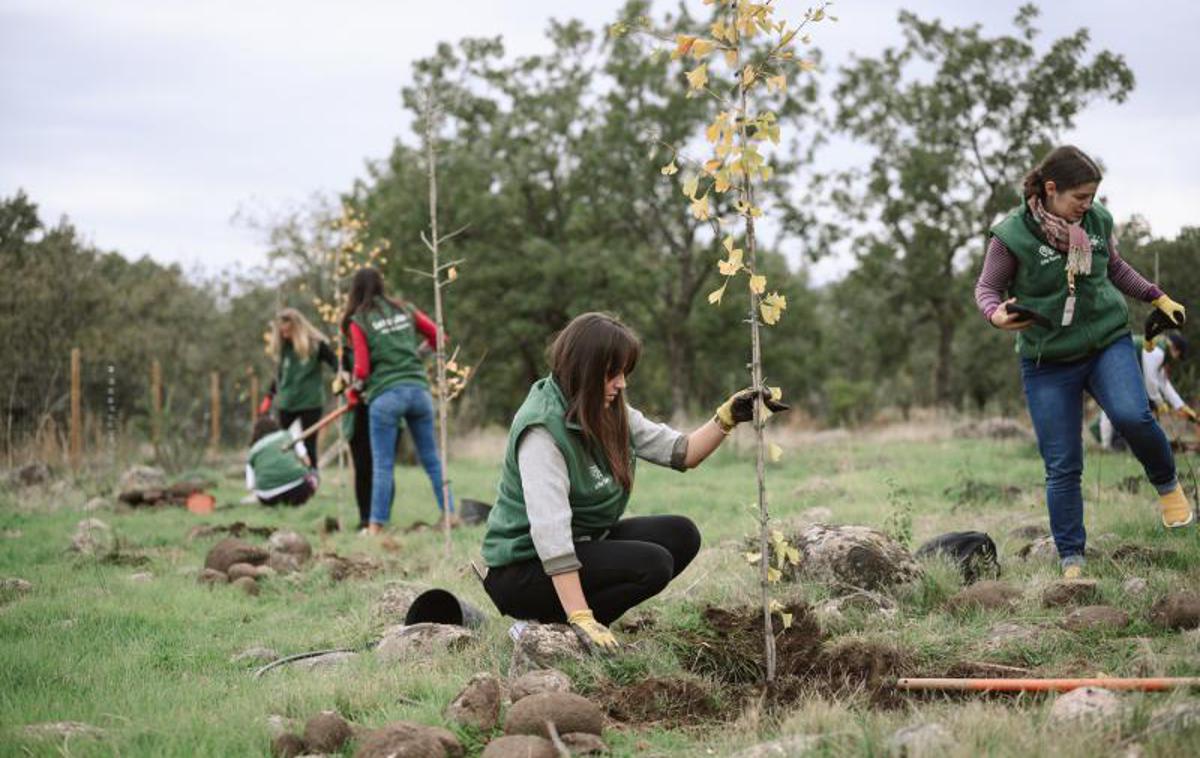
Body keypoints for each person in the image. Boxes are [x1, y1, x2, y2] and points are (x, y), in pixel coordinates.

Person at [480, 312, 788, 652]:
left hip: (581, 543)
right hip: (524, 569)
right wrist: (581, 615)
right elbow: (550, 535)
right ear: (584, 369)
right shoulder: (541, 430)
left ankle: (572, 624)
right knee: (652, 565)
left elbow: (682, 453)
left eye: (625, 372)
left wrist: (727, 417)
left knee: (681, 535)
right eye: (612, 373)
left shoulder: (605, 408)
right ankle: (561, 627)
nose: (622, 383)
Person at [974, 145, 1192, 578]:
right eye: (1080, 198)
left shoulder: (1096, 222)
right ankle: (1072, 557)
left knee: (1133, 415)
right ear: (1051, 190)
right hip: (1047, 359)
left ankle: (1167, 486)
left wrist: (1156, 296)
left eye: (1092, 197)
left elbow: (1115, 267)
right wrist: (997, 315)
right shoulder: (1011, 235)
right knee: (1062, 462)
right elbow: (986, 290)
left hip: (1104, 341)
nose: (1087, 206)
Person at [341, 267, 450, 534]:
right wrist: (416, 355)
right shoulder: (405, 309)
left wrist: (353, 391)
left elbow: (363, 369)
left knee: (383, 464)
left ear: (354, 290)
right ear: (381, 285)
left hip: (386, 395)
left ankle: (376, 526)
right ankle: (450, 514)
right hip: (419, 392)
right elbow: (439, 337)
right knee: (432, 460)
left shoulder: (359, 320)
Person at [259, 308, 338, 468]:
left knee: (309, 445)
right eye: (281, 332)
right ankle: (285, 477)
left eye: (287, 331)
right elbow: (280, 375)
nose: (284, 335)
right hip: (287, 402)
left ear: (297, 328)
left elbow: (336, 364)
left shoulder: (316, 346)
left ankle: (312, 477)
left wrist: (342, 381)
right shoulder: (284, 348)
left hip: (310, 402)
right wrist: (269, 395)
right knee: (281, 442)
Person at [1098, 333, 1195, 448]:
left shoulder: (1161, 351)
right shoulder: (1157, 352)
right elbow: (1151, 382)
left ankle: (1112, 443)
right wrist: (1159, 403)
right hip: (1113, 361)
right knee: (1112, 405)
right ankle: (1106, 445)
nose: (1176, 358)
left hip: (1122, 365)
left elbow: (1163, 383)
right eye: (1178, 355)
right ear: (1174, 348)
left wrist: (1181, 406)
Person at [245, 416, 317, 506]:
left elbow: (250, 486)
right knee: (313, 473)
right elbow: (307, 462)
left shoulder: (252, 452)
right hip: (298, 491)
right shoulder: (287, 435)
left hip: (268, 498)